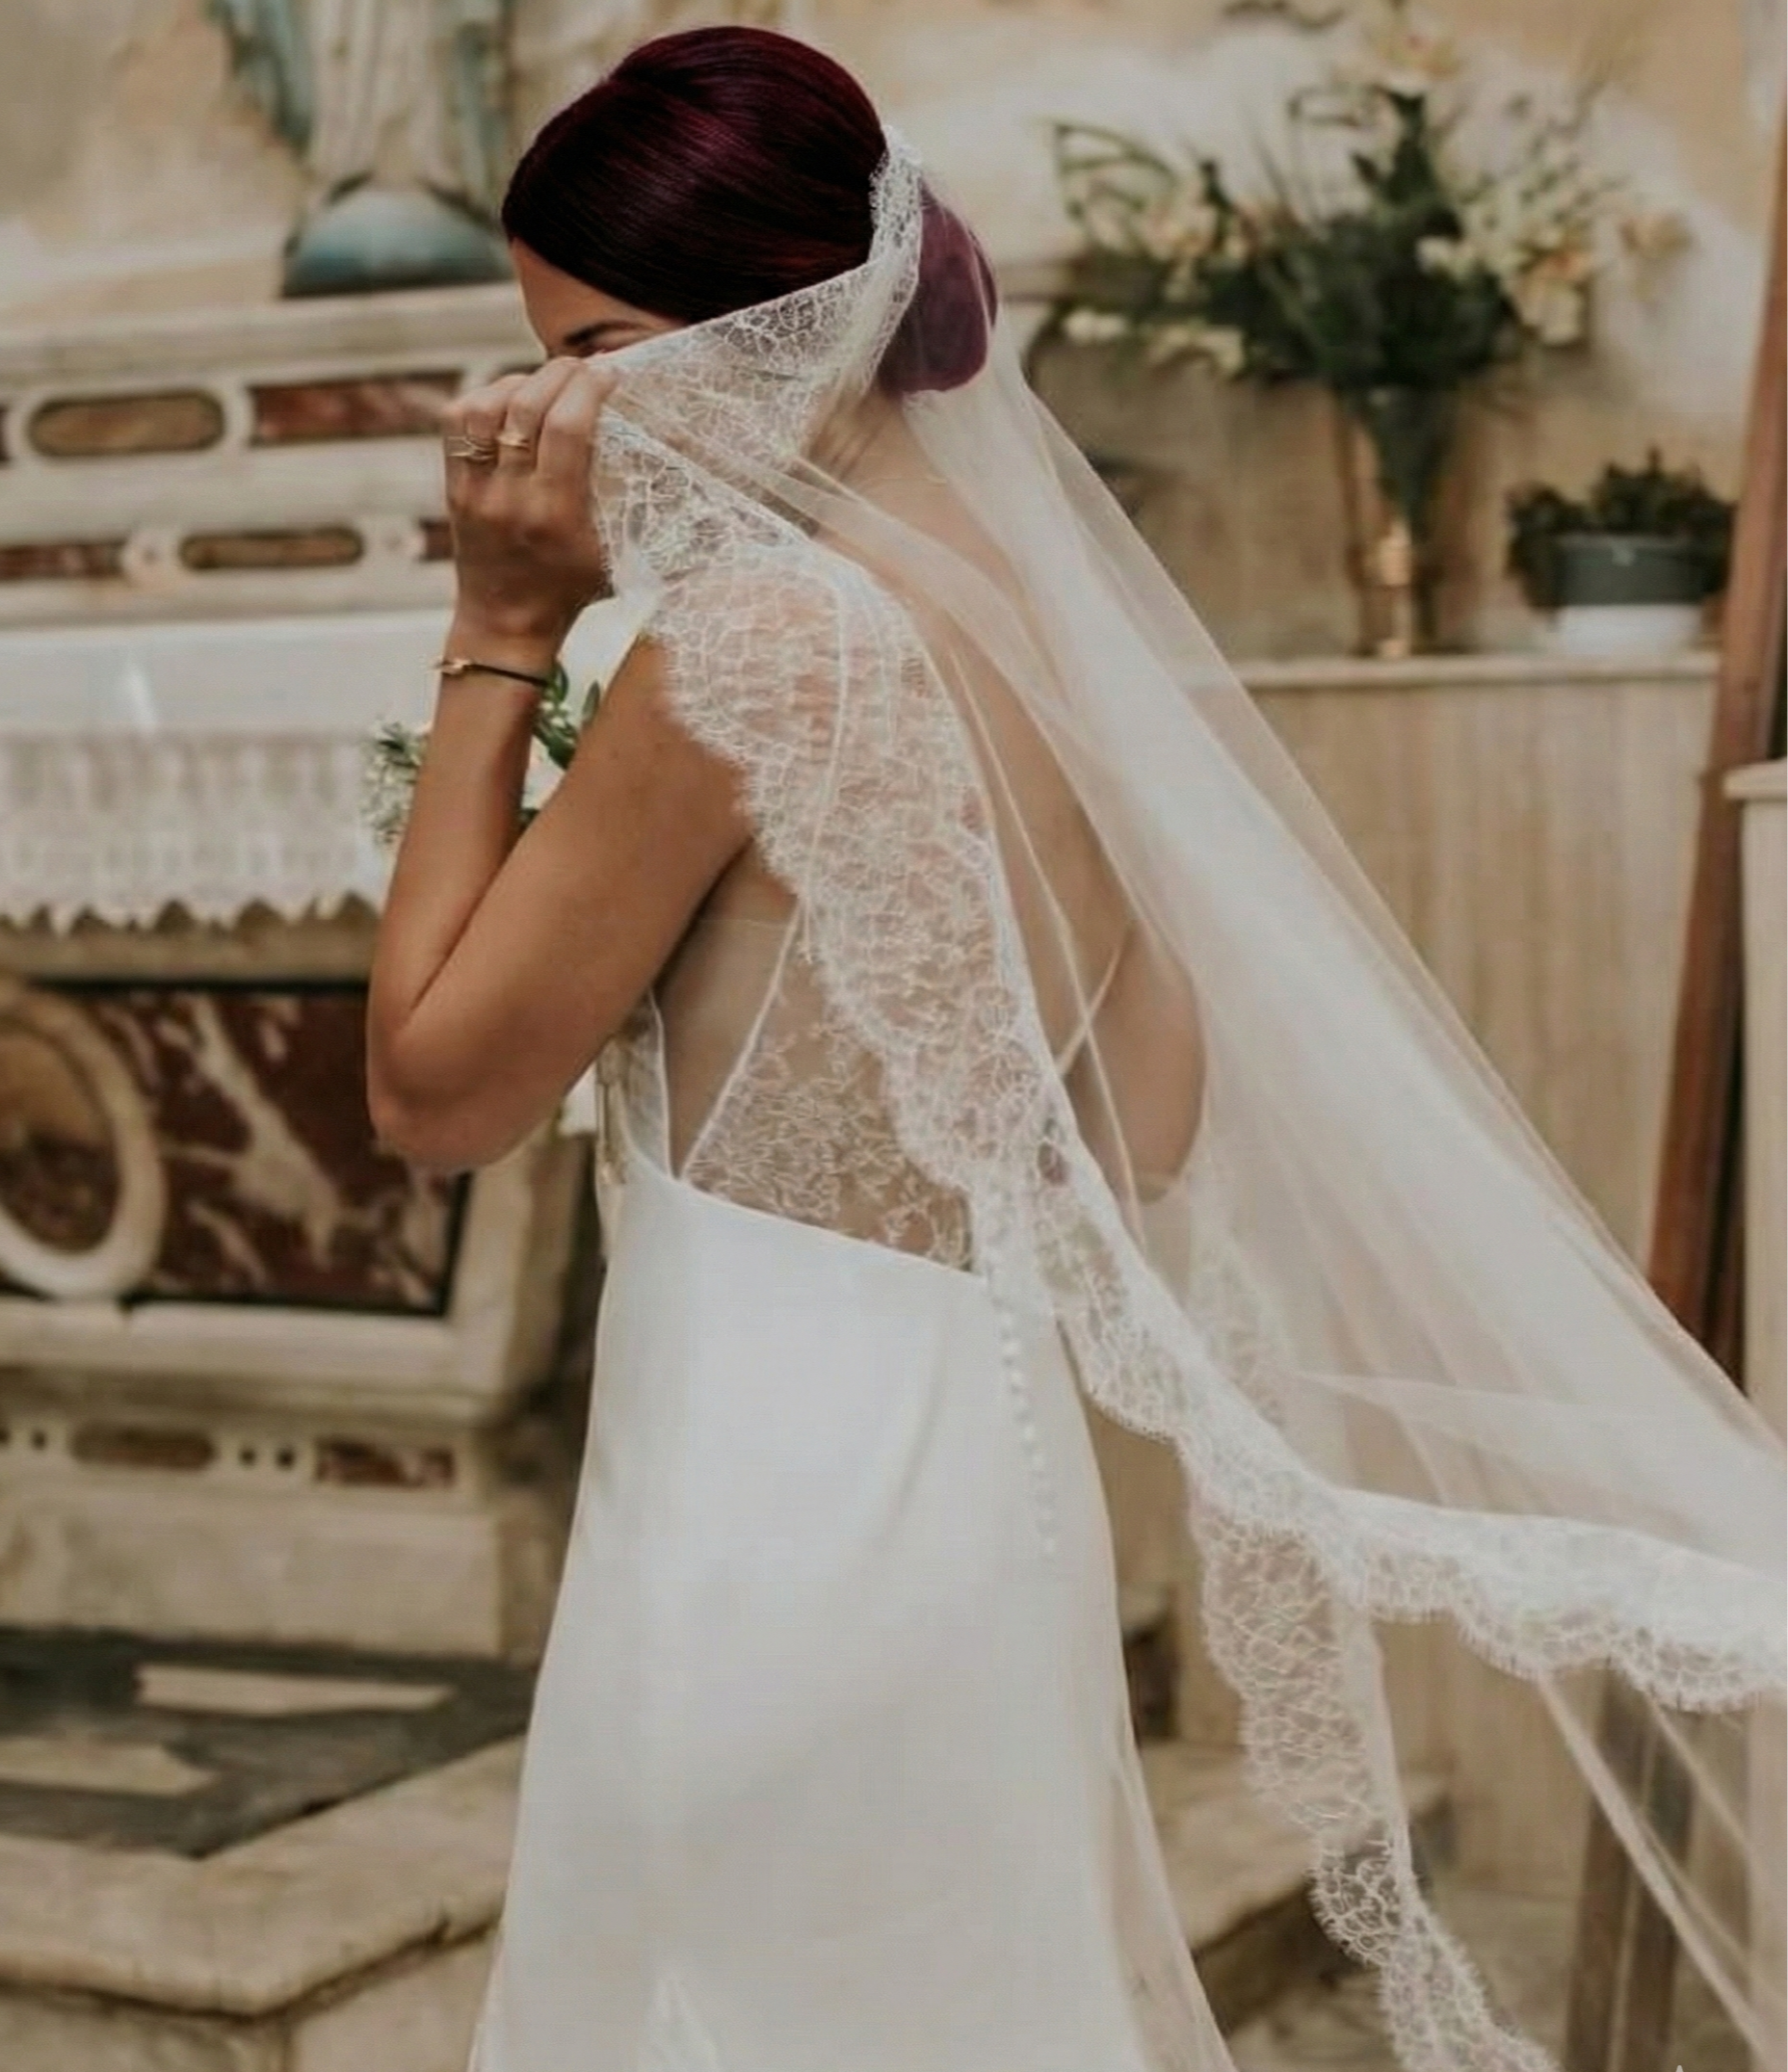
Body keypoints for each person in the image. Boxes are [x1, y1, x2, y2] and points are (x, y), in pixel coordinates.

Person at [366, 26, 1788, 2072]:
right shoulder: (1027, 616)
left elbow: (432, 1096)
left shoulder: (756, 643)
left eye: (594, 350)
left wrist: (501, 625)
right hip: (981, 1479)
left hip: (762, 1508)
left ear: (775, 322)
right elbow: (1144, 1124)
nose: (553, 416)